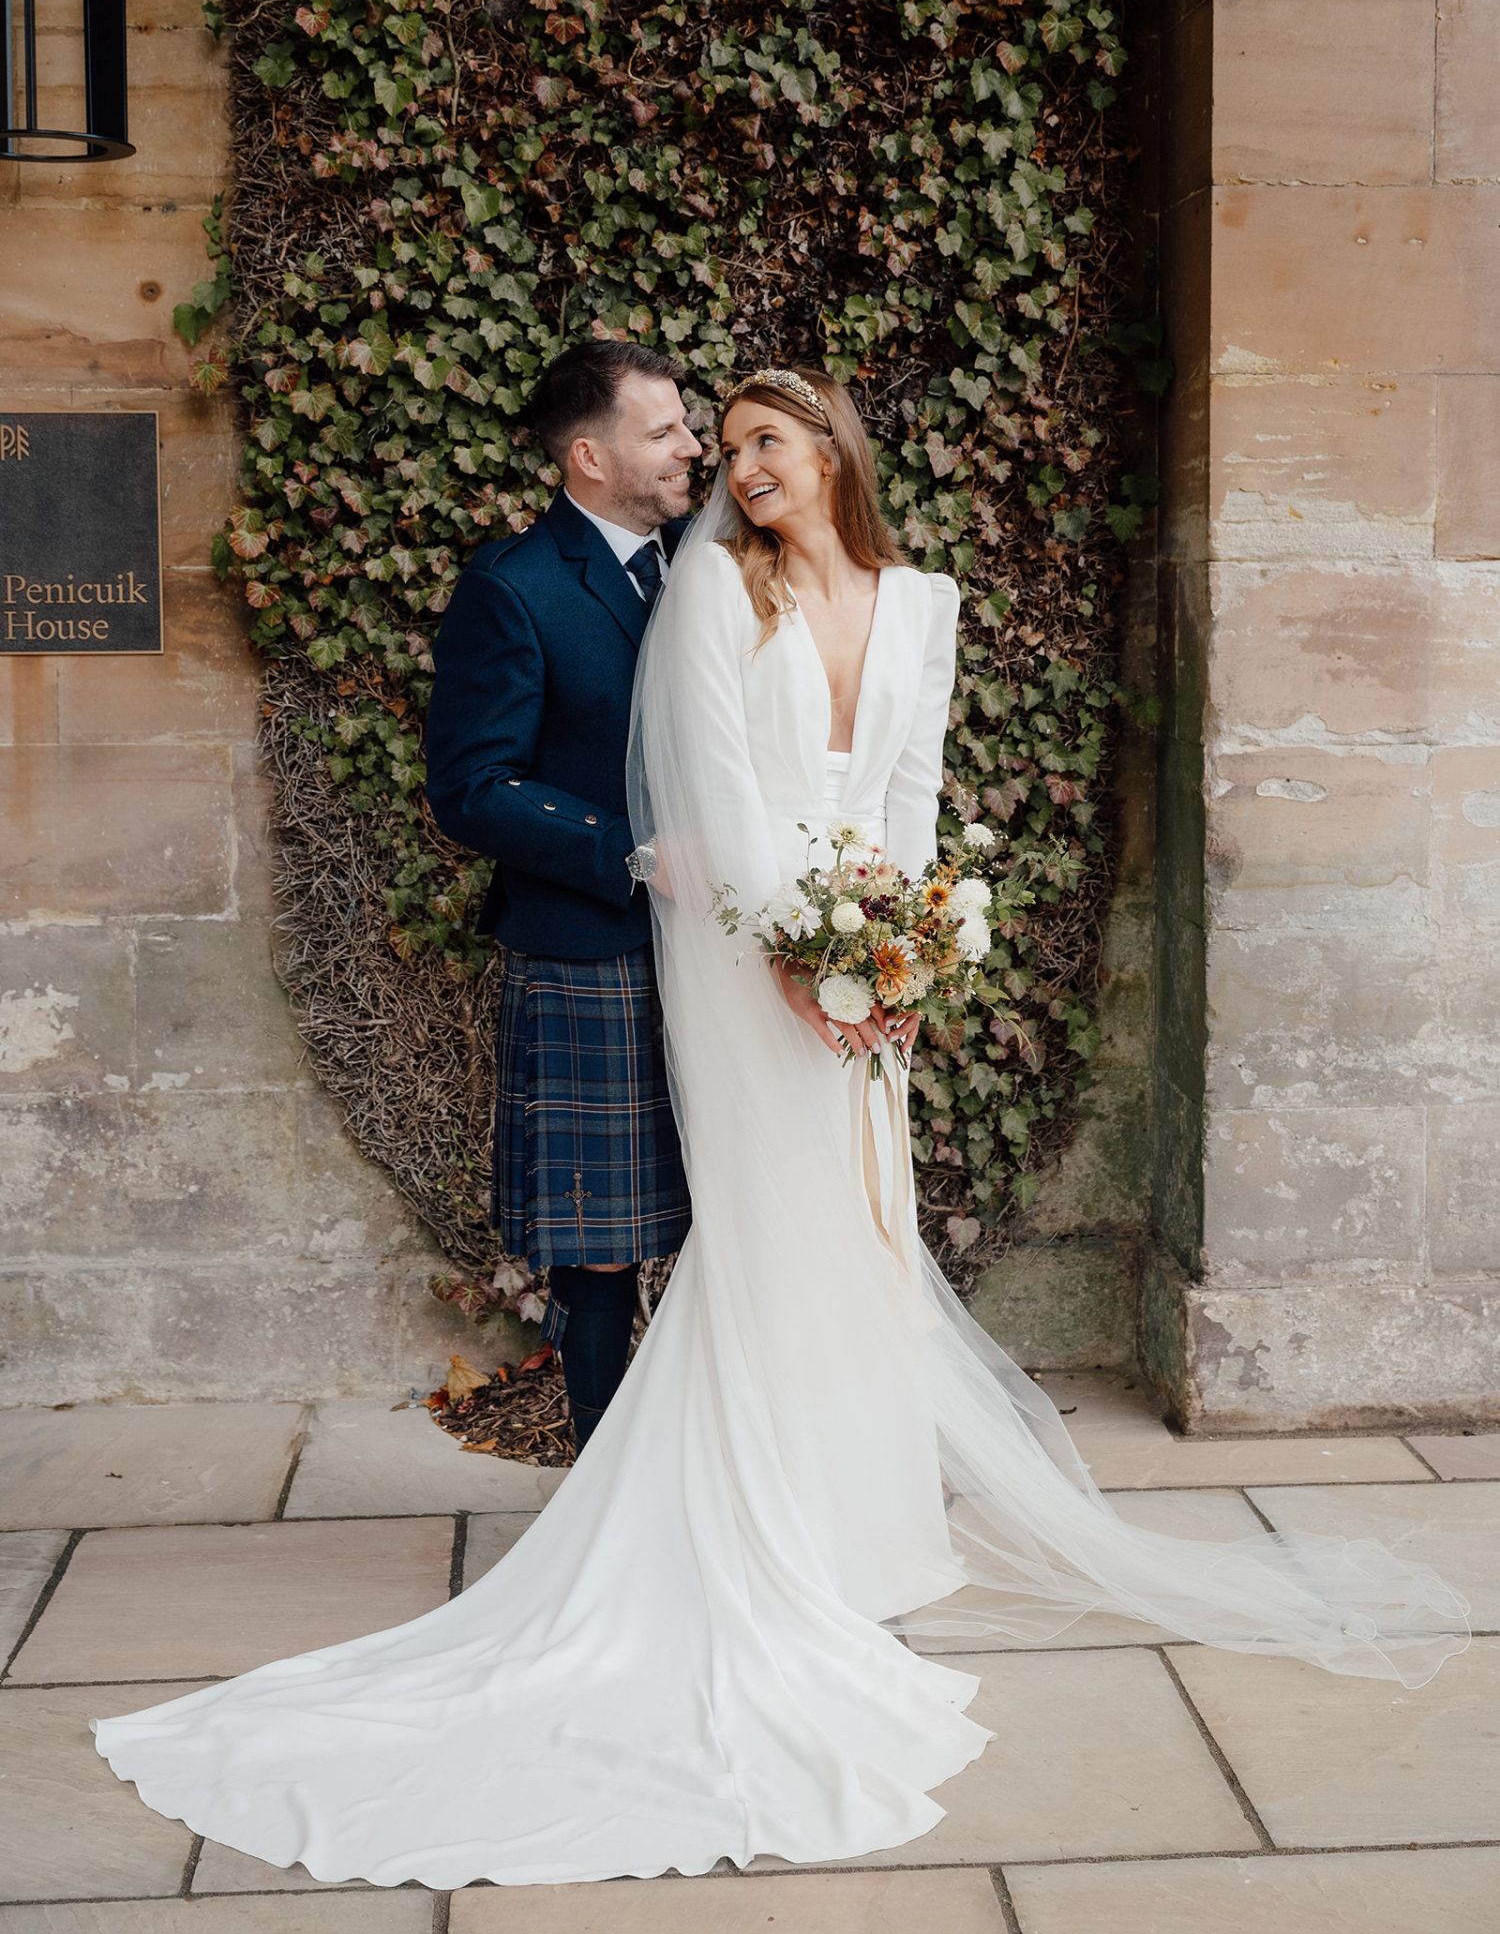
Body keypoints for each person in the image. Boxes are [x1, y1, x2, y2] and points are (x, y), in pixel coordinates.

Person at [89, 366, 1472, 1890]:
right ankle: (739, 1538)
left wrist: (905, 956)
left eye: (752, 436)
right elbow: (708, 796)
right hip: (744, 965)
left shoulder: (920, 602)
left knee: (857, 1237)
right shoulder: (697, 593)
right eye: (703, 436)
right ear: (595, 447)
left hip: (858, 967)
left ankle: (870, 1531)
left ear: (831, 448)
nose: (723, 459)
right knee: (744, 1235)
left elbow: (911, 794)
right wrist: (800, 965)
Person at [422, 339, 701, 1450]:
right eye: (663, 430)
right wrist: (631, 850)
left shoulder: (714, 568)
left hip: (722, 951)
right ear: (588, 457)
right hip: (594, 948)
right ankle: (605, 1487)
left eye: (686, 423)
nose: (692, 446)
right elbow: (473, 788)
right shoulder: (515, 586)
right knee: (600, 1243)